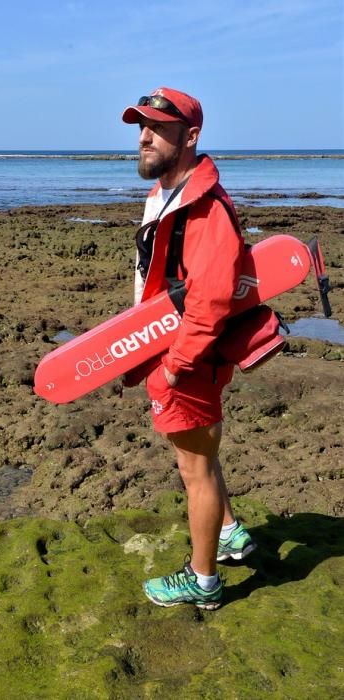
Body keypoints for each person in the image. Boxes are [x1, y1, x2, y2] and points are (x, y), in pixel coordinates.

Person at [122, 87, 256, 610]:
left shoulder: (206, 209)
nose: (144, 137)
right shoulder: (166, 194)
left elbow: (213, 296)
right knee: (201, 456)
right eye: (140, 127)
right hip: (174, 351)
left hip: (188, 360)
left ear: (191, 136)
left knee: (194, 472)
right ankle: (229, 532)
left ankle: (203, 582)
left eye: (156, 128)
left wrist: (176, 366)